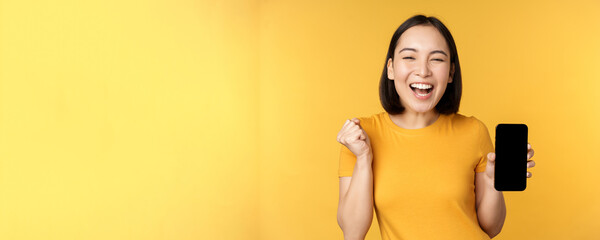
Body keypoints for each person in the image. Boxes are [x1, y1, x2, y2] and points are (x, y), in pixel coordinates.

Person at [336, 15, 536, 240]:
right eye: (410, 57)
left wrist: (492, 182)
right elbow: (352, 233)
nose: (423, 71)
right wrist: (364, 159)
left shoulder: (474, 131)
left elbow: (492, 228)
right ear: (391, 68)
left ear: (451, 73)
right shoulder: (361, 136)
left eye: (437, 59)